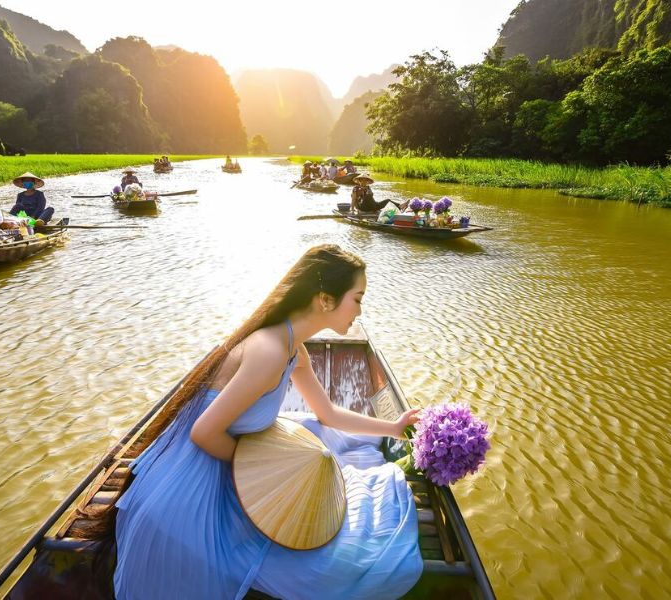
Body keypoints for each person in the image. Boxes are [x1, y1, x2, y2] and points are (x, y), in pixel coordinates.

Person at [90, 245, 423, 599]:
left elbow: (327, 415)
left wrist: (392, 426)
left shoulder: (293, 348)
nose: (360, 310)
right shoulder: (270, 350)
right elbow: (203, 432)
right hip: (196, 481)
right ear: (325, 300)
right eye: (357, 298)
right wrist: (266, 471)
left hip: (225, 468)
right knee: (344, 568)